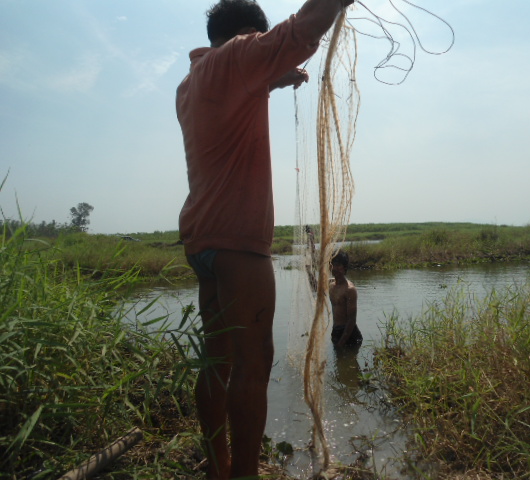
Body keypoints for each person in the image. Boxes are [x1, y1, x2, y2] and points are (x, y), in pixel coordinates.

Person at [175, 0, 353, 478]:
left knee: (216, 359)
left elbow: (230, 103)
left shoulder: (191, 82)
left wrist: (271, 80)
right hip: (238, 241)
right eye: (258, 40)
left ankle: (219, 467)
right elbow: (300, 30)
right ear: (246, 34)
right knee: (255, 361)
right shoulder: (238, 54)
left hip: (202, 240)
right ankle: (247, 475)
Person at [329, 250, 362, 347]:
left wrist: (341, 342)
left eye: (338, 265)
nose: (335, 268)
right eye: (333, 264)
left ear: (344, 267)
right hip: (336, 331)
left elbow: (352, 319)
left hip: (349, 334)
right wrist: (308, 270)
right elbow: (314, 287)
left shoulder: (350, 289)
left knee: (348, 360)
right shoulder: (330, 284)